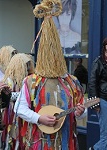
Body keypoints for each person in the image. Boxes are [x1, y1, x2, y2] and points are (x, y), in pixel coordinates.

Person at [14, 1, 85, 149]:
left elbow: (81, 111)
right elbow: (19, 109)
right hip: (38, 141)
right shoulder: (30, 81)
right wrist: (39, 118)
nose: (52, 57)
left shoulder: (72, 82)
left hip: (65, 142)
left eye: (56, 54)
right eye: (48, 54)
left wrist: (80, 112)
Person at [1, 53, 35, 149]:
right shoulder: (9, 80)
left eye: (28, 65)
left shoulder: (31, 79)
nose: (27, 68)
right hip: (12, 114)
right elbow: (7, 96)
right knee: (14, 136)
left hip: (26, 114)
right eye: (25, 65)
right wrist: (23, 95)